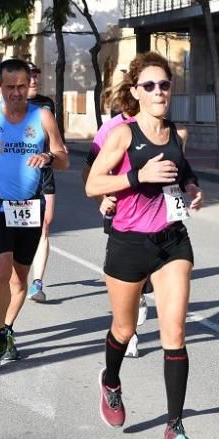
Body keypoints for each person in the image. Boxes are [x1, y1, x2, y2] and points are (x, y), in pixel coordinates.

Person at [85, 51, 203, 439]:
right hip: (128, 243)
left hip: (171, 241)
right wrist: (138, 176)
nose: (158, 92)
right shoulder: (122, 134)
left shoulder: (178, 134)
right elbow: (92, 184)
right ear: (136, 92)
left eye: (164, 84)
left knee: (175, 332)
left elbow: (182, 170)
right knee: (125, 329)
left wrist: (192, 188)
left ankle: (175, 426)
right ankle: (111, 381)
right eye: (149, 86)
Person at [0, 58, 68, 368]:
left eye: (22, 86)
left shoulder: (43, 116)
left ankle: (7, 330)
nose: (17, 93)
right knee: (1, 268)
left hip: (30, 206)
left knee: (20, 280)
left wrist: (48, 156)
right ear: (0, 87)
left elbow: (63, 158)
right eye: (11, 87)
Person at [81, 108, 150, 358]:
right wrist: (101, 199)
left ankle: (140, 295)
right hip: (123, 213)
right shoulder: (111, 129)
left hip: (157, 216)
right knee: (127, 277)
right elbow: (88, 172)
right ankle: (130, 333)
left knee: (149, 272)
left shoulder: (161, 125)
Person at [23, 61, 57, 303]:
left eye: (37, 75)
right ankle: (17, 275)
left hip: (44, 171)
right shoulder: (8, 105)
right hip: (17, 177)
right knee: (19, 230)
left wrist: (50, 155)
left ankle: (37, 283)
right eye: (29, 76)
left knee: (45, 225)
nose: (34, 79)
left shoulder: (47, 104)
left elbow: (56, 140)